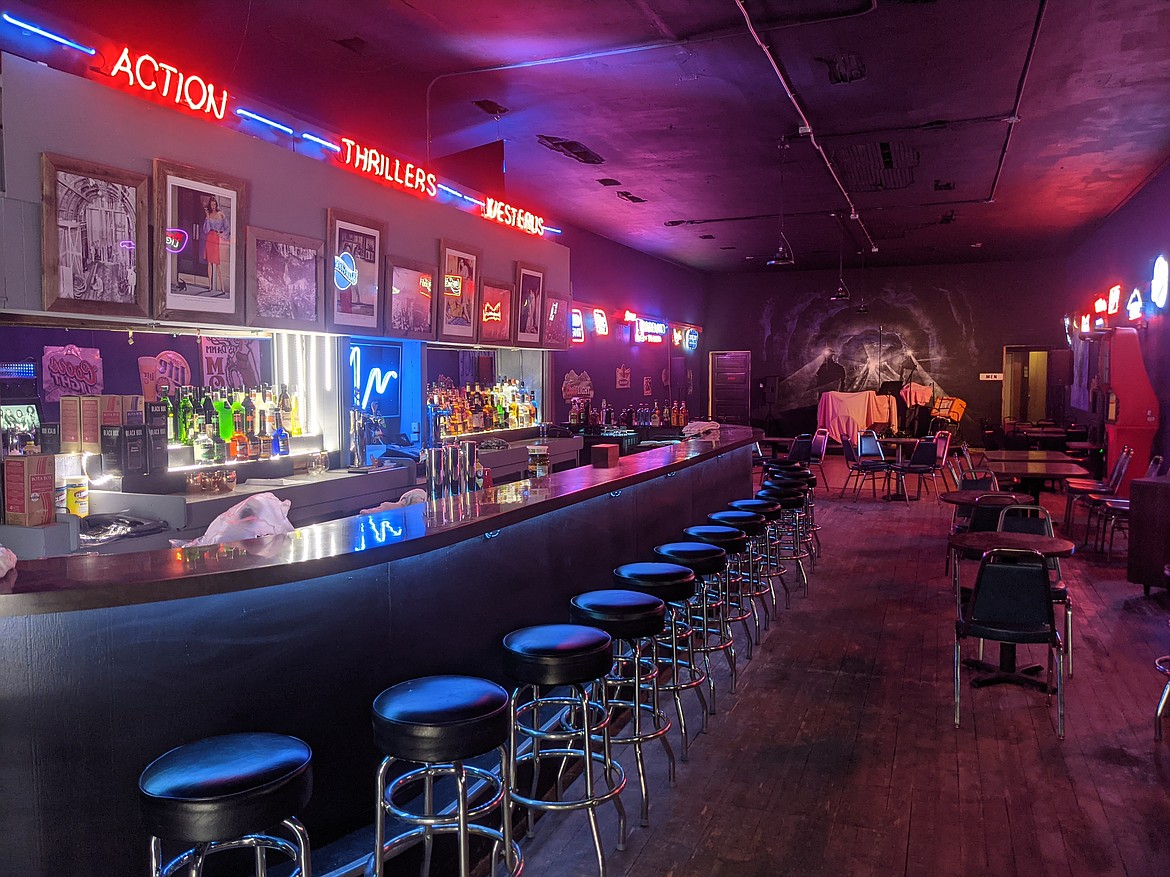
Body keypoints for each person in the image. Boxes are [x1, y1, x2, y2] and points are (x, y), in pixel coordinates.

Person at [202, 196, 230, 293]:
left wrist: (221, 234)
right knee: (209, 263)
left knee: (217, 263)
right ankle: (210, 285)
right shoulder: (209, 215)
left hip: (216, 238)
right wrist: (207, 218)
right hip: (209, 237)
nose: (213, 206)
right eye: (211, 204)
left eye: (214, 204)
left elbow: (227, 227)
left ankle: (222, 287)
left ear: (216, 204)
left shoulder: (221, 214)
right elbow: (205, 229)